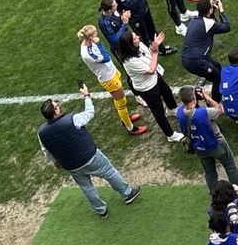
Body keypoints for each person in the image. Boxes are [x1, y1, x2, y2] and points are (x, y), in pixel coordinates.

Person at [38, 85, 141, 217]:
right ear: (55, 112)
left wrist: (55, 162)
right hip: (90, 157)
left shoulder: (41, 132)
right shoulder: (72, 119)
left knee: (86, 188)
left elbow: (46, 151)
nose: (58, 105)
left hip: (72, 166)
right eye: (56, 105)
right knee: (109, 172)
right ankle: (127, 193)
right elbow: (90, 112)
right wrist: (86, 95)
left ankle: (101, 211)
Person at [115, 29, 185, 142]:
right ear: (129, 44)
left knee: (167, 92)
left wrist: (154, 45)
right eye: (134, 38)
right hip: (147, 87)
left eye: (135, 36)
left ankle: (172, 109)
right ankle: (170, 135)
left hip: (155, 78)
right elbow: (151, 69)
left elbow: (149, 53)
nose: (138, 37)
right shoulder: (130, 61)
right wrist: (155, 52)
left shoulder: (139, 45)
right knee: (158, 111)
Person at [77, 24, 147, 135]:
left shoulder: (89, 43)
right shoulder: (87, 54)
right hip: (108, 78)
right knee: (121, 102)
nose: (97, 35)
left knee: (119, 100)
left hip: (111, 72)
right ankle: (130, 128)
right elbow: (105, 58)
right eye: (95, 33)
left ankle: (125, 119)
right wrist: (99, 44)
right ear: (90, 37)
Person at [177, 85, 238, 192]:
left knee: (209, 172)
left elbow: (189, 112)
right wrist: (207, 97)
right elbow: (220, 110)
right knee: (231, 167)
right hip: (217, 145)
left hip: (199, 148)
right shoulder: (204, 112)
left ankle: (214, 194)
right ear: (194, 96)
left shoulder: (179, 112)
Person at [182, 0, 231, 96]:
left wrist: (211, 10)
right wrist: (221, 10)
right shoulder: (208, 23)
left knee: (217, 66)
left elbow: (212, 22)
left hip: (189, 58)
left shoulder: (194, 19)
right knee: (217, 78)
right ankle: (215, 104)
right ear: (209, 10)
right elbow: (227, 26)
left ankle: (211, 84)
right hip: (197, 61)